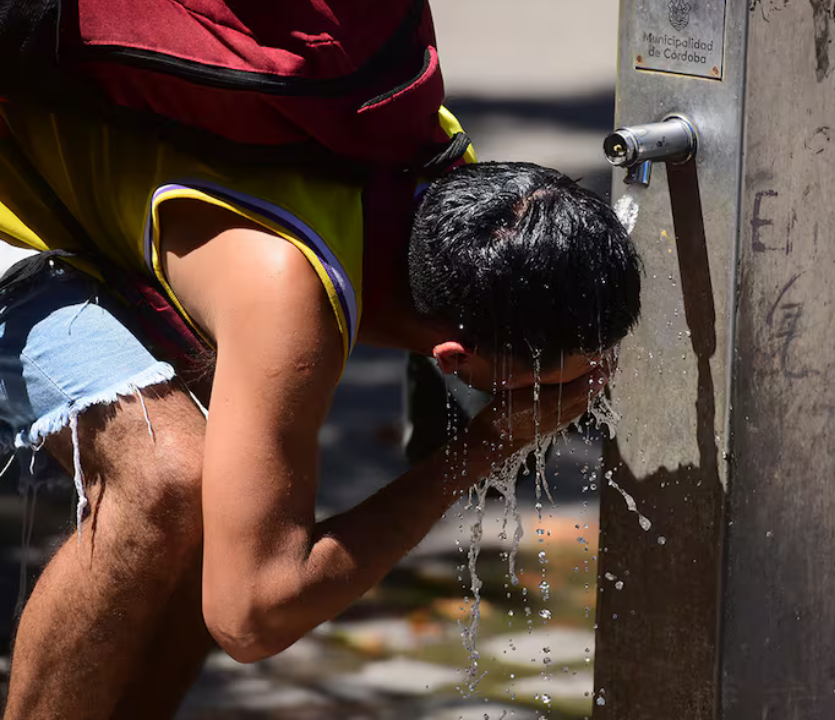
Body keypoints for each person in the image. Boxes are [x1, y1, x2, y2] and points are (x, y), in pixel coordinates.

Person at [0, 97, 640, 717]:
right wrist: (489, 444)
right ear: (453, 357)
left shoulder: (448, 174)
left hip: (70, 190)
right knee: (168, 480)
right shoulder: (290, 297)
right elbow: (252, 615)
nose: (570, 404)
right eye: (554, 389)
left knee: (226, 518)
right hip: (14, 201)